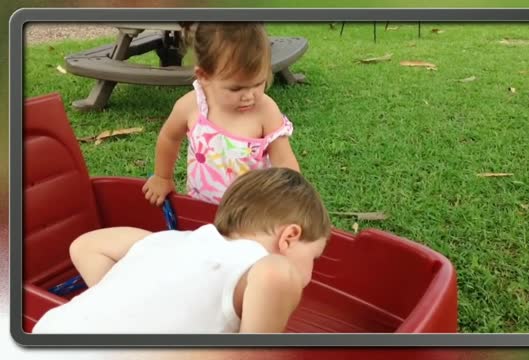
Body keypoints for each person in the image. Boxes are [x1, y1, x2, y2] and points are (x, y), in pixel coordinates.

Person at [32, 168, 331, 334]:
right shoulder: (269, 269)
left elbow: (86, 246)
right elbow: (276, 276)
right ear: (289, 237)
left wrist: (130, 298)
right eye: (313, 257)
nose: (310, 271)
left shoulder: (164, 242)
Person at [142, 22, 300, 206]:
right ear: (204, 76)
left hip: (252, 213)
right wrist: (162, 177)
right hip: (201, 205)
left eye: (258, 84)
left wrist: (293, 200)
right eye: (236, 89)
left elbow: (284, 161)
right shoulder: (192, 106)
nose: (249, 96)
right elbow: (169, 137)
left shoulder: (265, 110)